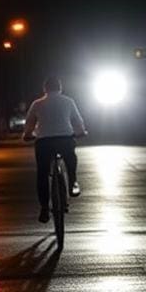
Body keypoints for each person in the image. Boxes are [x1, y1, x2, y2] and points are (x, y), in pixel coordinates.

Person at [22, 75, 87, 223]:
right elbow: (77, 120)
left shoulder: (37, 104)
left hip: (44, 141)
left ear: (45, 89)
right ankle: (73, 183)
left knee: (42, 174)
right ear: (60, 88)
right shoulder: (68, 101)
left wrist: (27, 135)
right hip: (65, 139)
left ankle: (44, 208)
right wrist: (81, 132)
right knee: (71, 158)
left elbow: (30, 123)